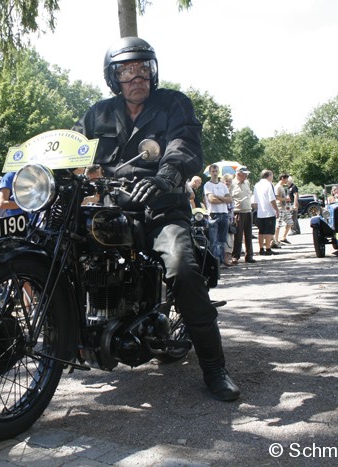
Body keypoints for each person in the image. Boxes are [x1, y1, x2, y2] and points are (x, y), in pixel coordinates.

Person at [72, 36, 239, 401]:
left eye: (143, 69)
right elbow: (75, 149)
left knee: (181, 267)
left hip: (161, 207)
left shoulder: (173, 103)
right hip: (112, 207)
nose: (137, 77)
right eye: (128, 71)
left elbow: (185, 145)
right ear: (114, 77)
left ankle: (214, 367)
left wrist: (166, 177)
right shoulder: (97, 113)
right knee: (67, 250)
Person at [203, 164, 231, 265]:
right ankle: (215, 262)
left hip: (224, 213)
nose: (215, 173)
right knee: (213, 240)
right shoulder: (207, 185)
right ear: (210, 172)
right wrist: (223, 199)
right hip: (213, 214)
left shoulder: (223, 185)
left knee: (222, 240)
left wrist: (218, 197)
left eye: (216, 171)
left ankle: (221, 260)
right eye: (213, 171)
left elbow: (229, 199)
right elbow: (211, 200)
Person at [229, 166, 256, 263]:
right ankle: (235, 256)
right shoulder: (232, 184)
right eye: (244, 174)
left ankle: (249, 256)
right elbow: (229, 197)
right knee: (238, 235)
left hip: (248, 210)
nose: (246, 176)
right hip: (238, 211)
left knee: (248, 235)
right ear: (239, 174)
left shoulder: (247, 183)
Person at [252, 169, 278, 255]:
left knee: (261, 231)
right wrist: (276, 209)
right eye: (272, 176)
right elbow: (272, 199)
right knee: (269, 231)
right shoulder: (269, 184)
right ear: (269, 176)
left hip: (260, 212)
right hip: (269, 211)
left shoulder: (257, 185)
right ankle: (268, 248)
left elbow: (255, 201)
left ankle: (261, 249)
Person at [273, 173, 293, 247]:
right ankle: (276, 240)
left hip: (284, 208)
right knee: (278, 225)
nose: (287, 181)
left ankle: (283, 238)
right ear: (282, 178)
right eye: (286, 179)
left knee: (290, 222)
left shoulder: (281, 187)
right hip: (279, 208)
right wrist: (285, 198)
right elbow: (276, 197)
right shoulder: (277, 187)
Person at [221, 173, 235, 266]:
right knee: (225, 239)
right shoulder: (222, 191)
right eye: (226, 181)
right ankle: (225, 259)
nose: (228, 183)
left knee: (230, 239)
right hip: (224, 217)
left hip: (230, 218)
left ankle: (227, 257)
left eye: (229, 181)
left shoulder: (230, 192)